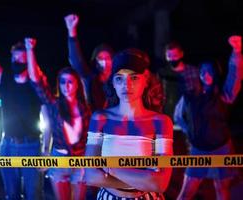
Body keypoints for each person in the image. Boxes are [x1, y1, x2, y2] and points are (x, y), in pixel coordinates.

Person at [85, 48, 174, 199]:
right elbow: (91, 176)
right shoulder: (100, 118)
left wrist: (112, 169)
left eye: (133, 78)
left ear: (145, 80)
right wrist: (144, 180)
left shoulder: (161, 122)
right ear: (113, 82)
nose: (126, 85)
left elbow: (161, 183)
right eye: (119, 78)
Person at [0, 11, 42, 200]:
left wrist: (31, 50)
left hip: (31, 145)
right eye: (14, 58)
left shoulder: (36, 83)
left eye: (22, 59)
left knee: (33, 195)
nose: (17, 61)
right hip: (8, 145)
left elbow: (36, 74)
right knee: (11, 195)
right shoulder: (5, 79)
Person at [174, 35, 243, 200]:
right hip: (198, 149)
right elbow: (178, 116)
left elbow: (235, 77)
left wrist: (237, 52)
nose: (206, 74)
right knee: (186, 194)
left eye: (210, 70)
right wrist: (189, 132)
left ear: (215, 72)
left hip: (221, 148)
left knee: (222, 192)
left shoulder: (223, 94)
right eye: (203, 71)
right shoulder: (191, 95)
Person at [25, 38, 91, 200]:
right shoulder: (54, 104)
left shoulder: (85, 108)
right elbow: (36, 81)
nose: (66, 86)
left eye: (70, 82)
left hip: (81, 160)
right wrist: (30, 50)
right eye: (62, 82)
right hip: (59, 160)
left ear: (76, 84)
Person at [64, 14, 165, 113]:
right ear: (95, 60)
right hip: (93, 121)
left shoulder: (120, 78)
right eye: (100, 58)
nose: (104, 61)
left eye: (107, 57)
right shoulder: (90, 78)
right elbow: (76, 61)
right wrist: (72, 32)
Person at [158, 41, 200, 118]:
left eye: (175, 55)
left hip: (188, 115)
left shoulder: (193, 71)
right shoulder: (162, 73)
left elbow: (198, 93)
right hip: (169, 115)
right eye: (169, 56)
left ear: (181, 54)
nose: (172, 59)